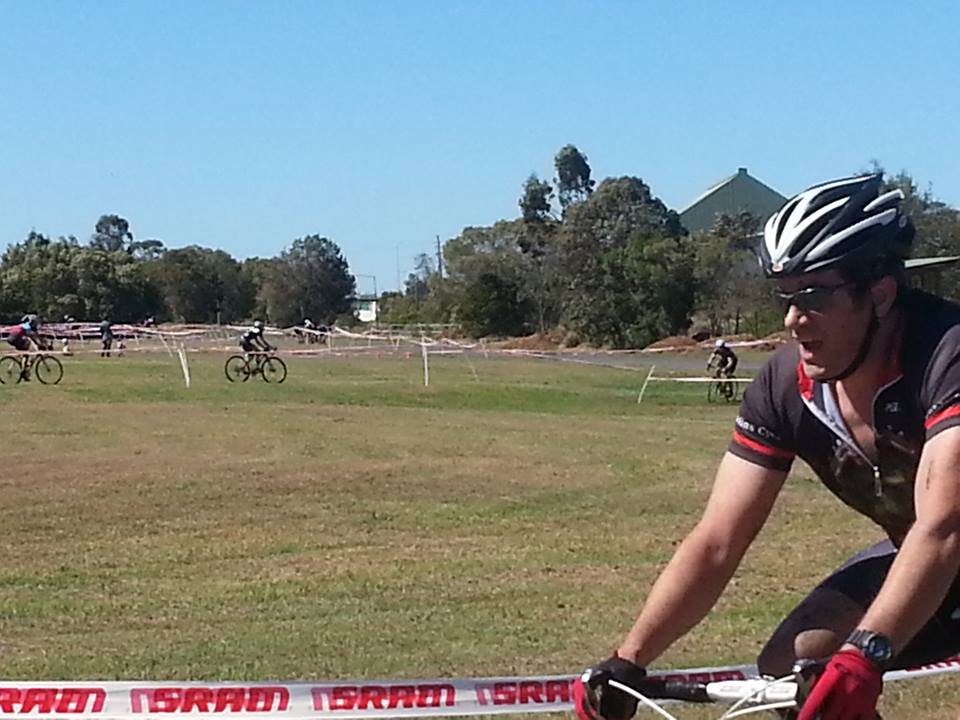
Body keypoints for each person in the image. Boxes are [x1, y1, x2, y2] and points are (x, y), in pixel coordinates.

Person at [574, 174, 960, 720]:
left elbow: (944, 525)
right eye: (783, 296)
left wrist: (867, 653)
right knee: (794, 667)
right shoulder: (785, 388)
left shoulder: (947, 353)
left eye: (813, 297)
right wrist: (628, 659)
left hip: (944, 545)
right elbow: (717, 540)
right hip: (935, 566)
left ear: (880, 293)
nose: (792, 320)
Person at [6, 315, 43, 380]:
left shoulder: (23, 325)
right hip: (16, 338)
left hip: (11, 338)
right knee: (26, 351)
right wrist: (40, 344)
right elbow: (33, 337)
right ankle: (24, 370)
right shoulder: (28, 327)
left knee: (24, 349)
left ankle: (17, 368)